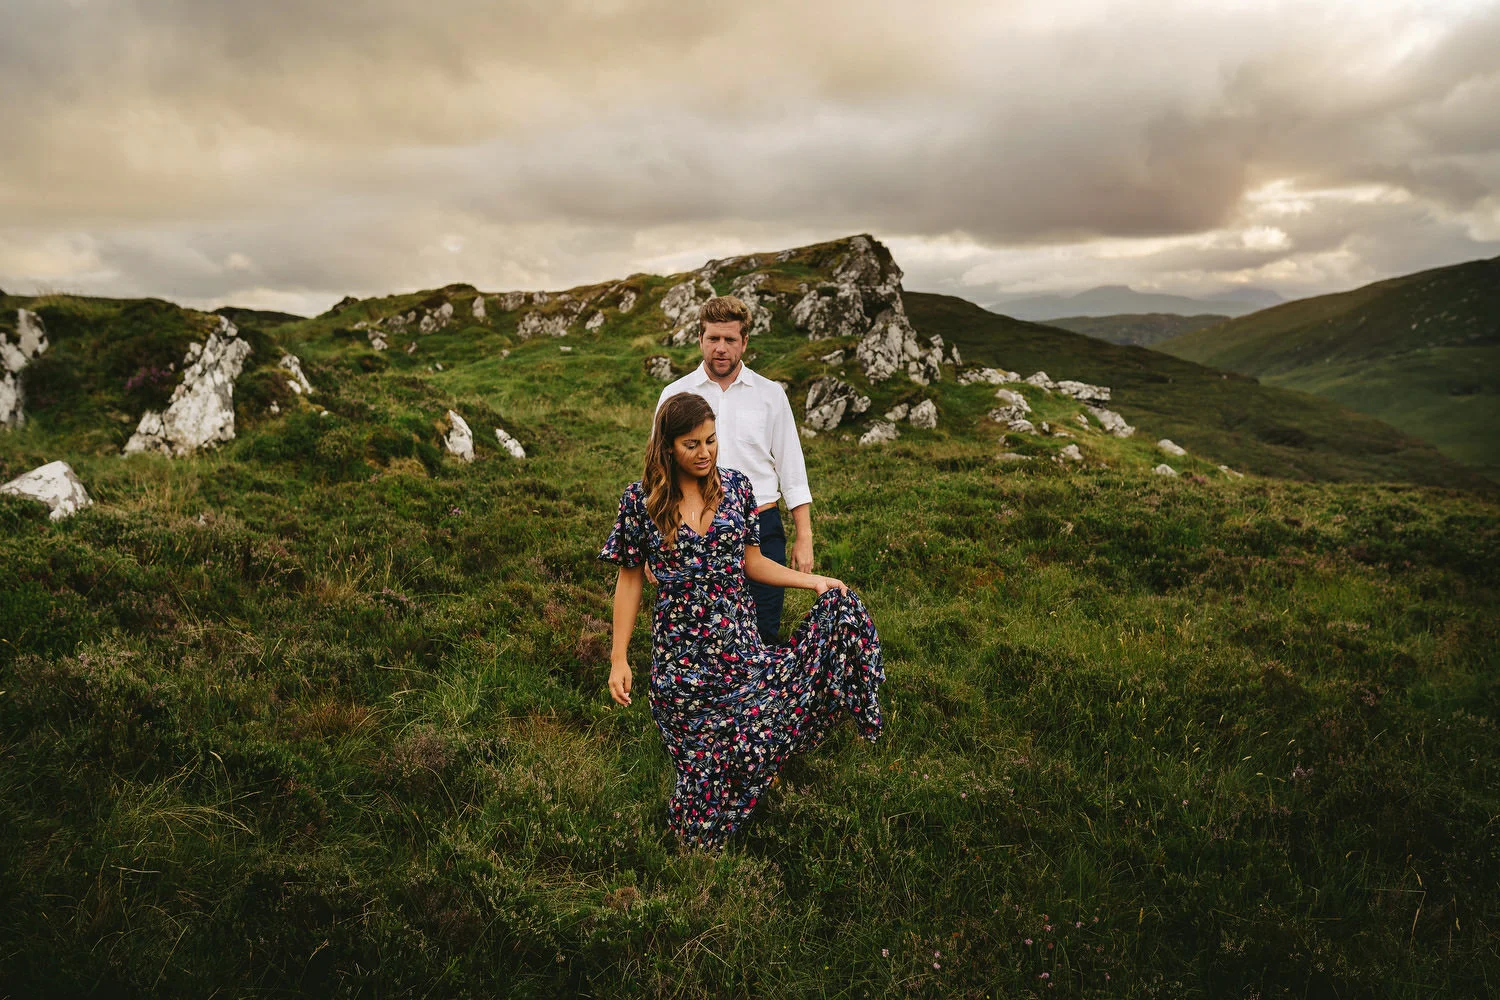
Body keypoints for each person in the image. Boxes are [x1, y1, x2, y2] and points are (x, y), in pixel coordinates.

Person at [601, 392, 883, 850]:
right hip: (681, 666)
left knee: (761, 725)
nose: (705, 452)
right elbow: (629, 582)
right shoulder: (640, 501)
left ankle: (760, 777)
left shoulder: (735, 487)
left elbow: (752, 562)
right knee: (700, 799)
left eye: (712, 440)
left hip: (740, 649)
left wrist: (811, 583)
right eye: (691, 444)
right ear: (667, 446)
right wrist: (618, 658)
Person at [657, 295, 810, 645]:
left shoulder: (770, 395)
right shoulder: (675, 393)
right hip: (691, 529)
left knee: (763, 633)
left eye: (730, 339)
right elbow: (659, 470)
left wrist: (804, 536)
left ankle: (759, 698)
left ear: (745, 342)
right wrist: (658, 540)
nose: (721, 348)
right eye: (713, 339)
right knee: (700, 636)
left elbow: (792, 468)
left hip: (761, 525)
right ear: (700, 339)